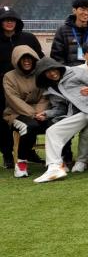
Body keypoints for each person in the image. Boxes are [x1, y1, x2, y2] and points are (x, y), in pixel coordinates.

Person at [33, 54, 88, 183]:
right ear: (43, 75)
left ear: (58, 67)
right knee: (52, 131)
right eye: (48, 72)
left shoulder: (75, 71)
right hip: (78, 114)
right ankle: (54, 168)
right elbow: (60, 109)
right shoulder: (51, 88)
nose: (52, 73)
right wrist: (47, 114)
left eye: (53, 69)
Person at [0, 6, 43, 169]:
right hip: (2, 89)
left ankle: (29, 152)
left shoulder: (28, 38)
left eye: (12, 19)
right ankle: (7, 154)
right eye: (5, 19)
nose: (9, 22)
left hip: (27, 86)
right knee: (3, 123)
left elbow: (40, 59)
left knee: (30, 120)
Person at [4, 46, 48, 177]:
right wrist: (33, 114)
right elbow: (13, 99)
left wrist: (39, 112)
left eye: (29, 58)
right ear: (16, 60)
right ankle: (21, 164)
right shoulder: (9, 76)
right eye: (23, 59)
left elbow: (45, 96)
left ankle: (55, 162)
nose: (27, 61)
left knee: (56, 124)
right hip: (16, 113)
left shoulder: (40, 74)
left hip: (41, 112)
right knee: (29, 127)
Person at [51, 0, 88, 67]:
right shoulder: (63, 30)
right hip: (71, 71)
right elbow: (56, 56)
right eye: (82, 9)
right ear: (74, 10)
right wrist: (67, 71)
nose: (86, 13)